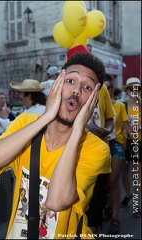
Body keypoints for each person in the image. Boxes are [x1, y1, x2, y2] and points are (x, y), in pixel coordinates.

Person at [0, 52, 111, 239]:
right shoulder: (27, 121)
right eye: (70, 81)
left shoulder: (96, 148)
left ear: (93, 102)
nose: (76, 90)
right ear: (57, 84)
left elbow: (57, 201)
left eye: (87, 87)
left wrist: (77, 130)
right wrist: (46, 117)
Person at [66, 46, 115, 234]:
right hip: (71, 156)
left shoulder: (101, 90)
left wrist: (106, 131)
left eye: (87, 85)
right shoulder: (64, 89)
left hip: (98, 156)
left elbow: (110, 118)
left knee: (93, 208)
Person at [103, 77, 133, 234]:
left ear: (112, 89)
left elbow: (127, 125)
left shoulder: (120, 106)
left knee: (113, 180)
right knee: (105, 182)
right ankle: (108, 207)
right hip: (101, 145)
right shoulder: (97, 105)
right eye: (103, 87)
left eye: (108, 87)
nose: (106, 90)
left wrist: (134, 139)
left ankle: (115, 218)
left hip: (116, 145)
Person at [120, 77, 141, 218]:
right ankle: (128, 194)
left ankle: (136, 204)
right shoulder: (123, 106)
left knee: (137, 175)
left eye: (137, 88)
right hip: (124, 143)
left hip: (139, 143)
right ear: (127, 91)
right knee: (124, 173)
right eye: (131, 88)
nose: (135, 91)